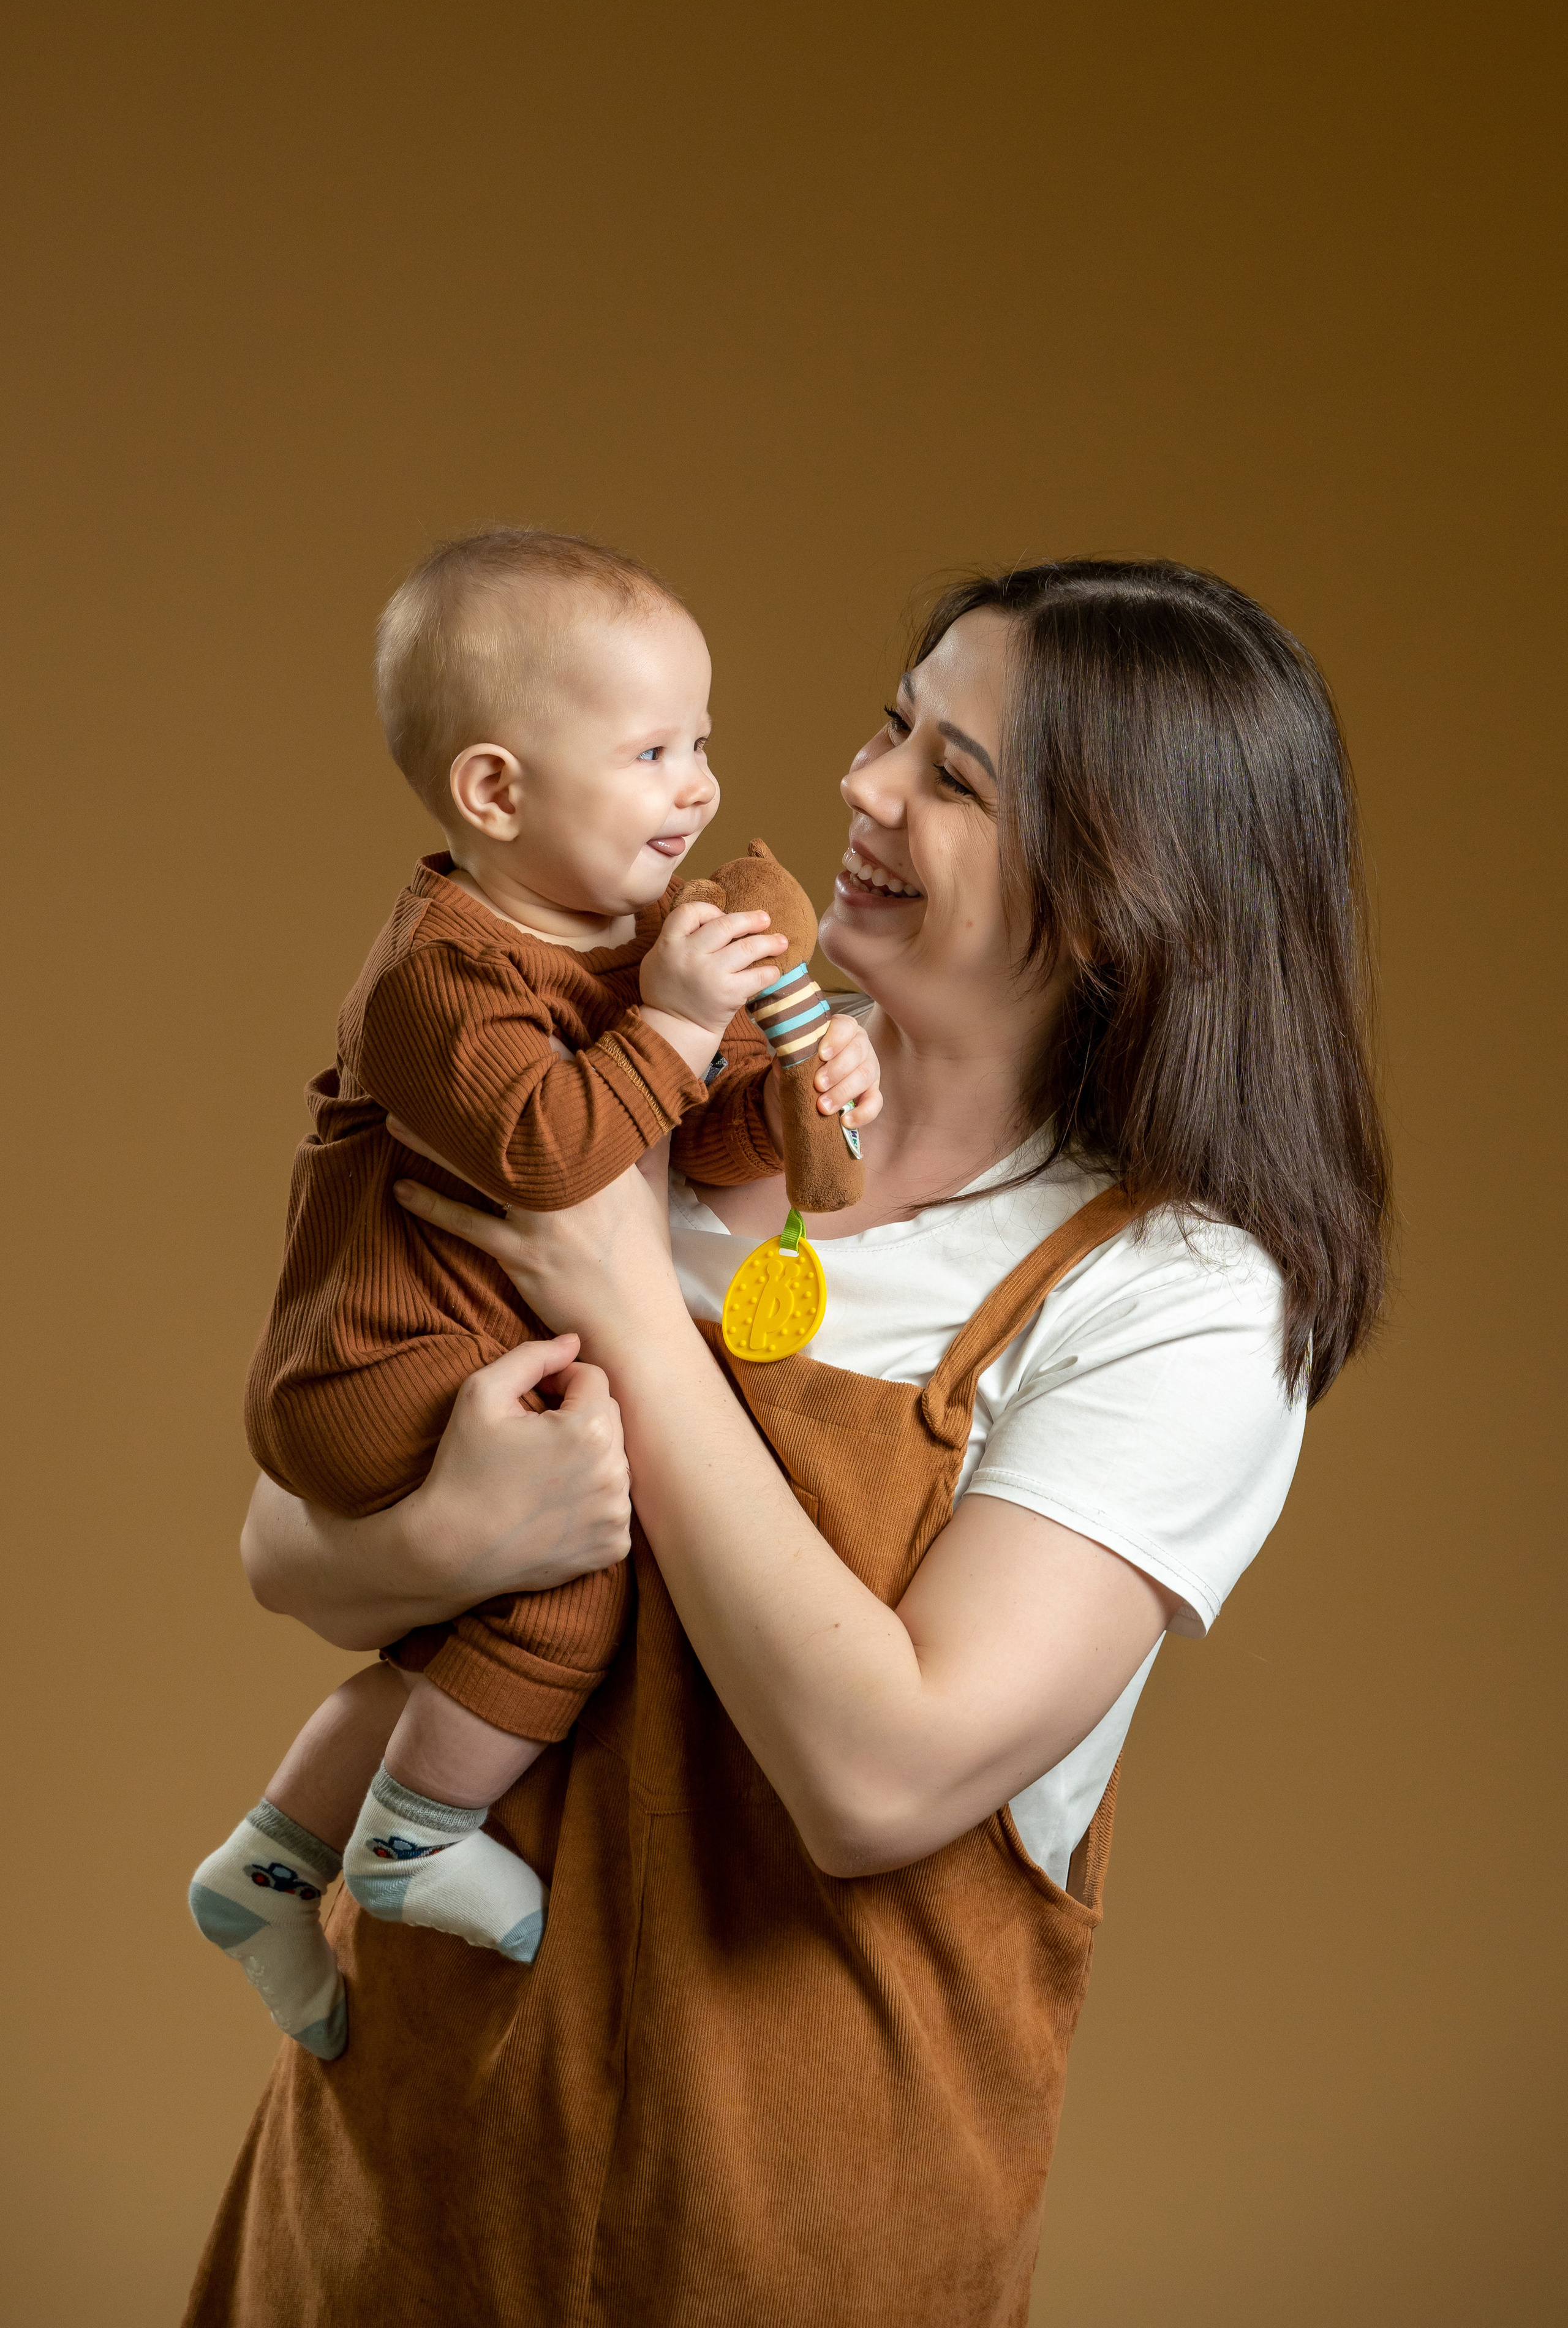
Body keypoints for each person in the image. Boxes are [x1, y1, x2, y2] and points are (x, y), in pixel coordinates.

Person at [185, 559, 1389, 2328]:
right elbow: (286, 1543)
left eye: (954, 775)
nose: (861, 787)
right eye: (896, 725)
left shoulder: (1180, 1297)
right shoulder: (687, 1072)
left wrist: (611, 1293)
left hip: (779, 2244)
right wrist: (462, 1537)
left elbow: (882, 1776)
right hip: (396, 2181)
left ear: (1126, 889)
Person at [187, 525, 881, 2057]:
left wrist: (778, 1080)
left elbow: (679, 1142)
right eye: (648, 751)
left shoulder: (622, 940)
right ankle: (415, 1838)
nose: (696, 788)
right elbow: (556, 1150)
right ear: (495, 792)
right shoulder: (438, 976)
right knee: (576, 1573)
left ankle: (269, 1866)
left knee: (455, 1638)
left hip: (459, 1349)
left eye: (700, 742)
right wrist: (685, 1024)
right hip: (372, 1365)